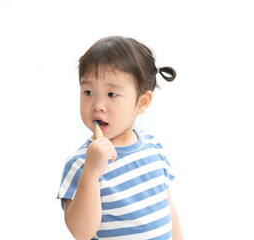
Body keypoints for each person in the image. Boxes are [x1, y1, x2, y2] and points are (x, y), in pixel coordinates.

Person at [57, 36, 183, 240]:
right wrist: (91, 172)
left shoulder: (154, 148)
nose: (97, 104)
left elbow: (168, 210)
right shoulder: (80, 163)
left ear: (142, 102)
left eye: (111, 94)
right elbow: (80, 232)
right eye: (88, 92)